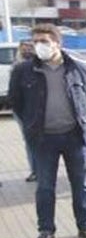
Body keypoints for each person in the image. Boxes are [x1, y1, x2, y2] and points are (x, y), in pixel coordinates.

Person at [8, 24, 86, 238]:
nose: (39, 46)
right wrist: (32, 125)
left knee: (81, 184)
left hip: (74, 136)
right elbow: (17, 103)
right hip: (42, 139)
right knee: (45, 187)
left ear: (58, 43)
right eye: (36, 42)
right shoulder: (23, 71)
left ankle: (85, 224)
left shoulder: (78, 69)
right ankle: (46, 229)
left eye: (44, 41)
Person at [13, 41, 39, 182]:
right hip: (24, 111)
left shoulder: (40, 64)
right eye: (24, 48)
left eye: (30, 48)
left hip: (39, 109)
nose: (27, 50)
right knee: (30, 141)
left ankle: (42, 169)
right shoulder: (17, 67)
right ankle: (35, 170)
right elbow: (14, 94)